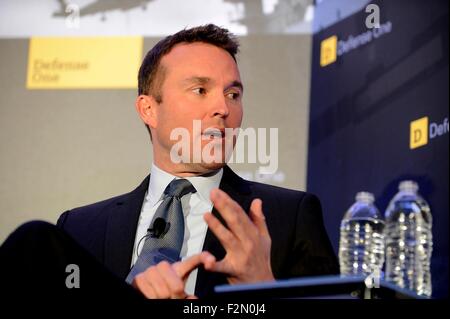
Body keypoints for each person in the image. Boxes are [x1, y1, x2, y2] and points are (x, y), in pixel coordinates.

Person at [1, 24, 338, 299]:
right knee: (36, 243)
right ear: (149, 109)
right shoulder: (79, 228)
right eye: (200, 90)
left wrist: (260, 290)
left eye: (233, 94)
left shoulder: (288, 218)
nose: (223, 107)